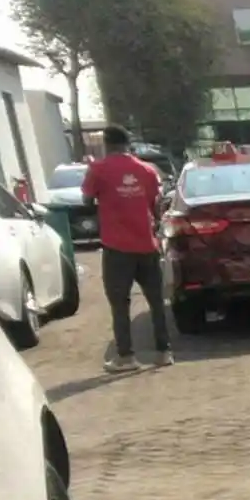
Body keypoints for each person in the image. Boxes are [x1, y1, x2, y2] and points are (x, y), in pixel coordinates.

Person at [81, 125, 173, 372]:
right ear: (127, 144)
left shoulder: (98, 169)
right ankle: (164, 352)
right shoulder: (146, 170)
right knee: (155, 301)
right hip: (146, 245)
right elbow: (155, 205)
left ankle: (126, 357)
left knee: (120, 303)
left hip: (116, 247)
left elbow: (86, 199)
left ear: (107, 144)